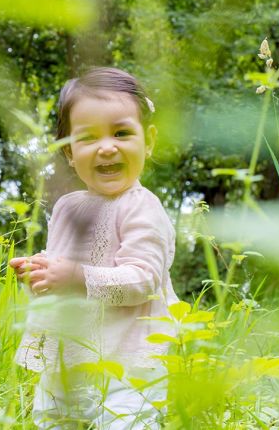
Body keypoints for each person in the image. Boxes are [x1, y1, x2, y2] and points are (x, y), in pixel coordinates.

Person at [10, 67, 179, 429]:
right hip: (67, 357)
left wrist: (73, 276)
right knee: (51, 420)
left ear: (148, 141)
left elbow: (144, 279)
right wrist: (40, 271)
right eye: (88, 138)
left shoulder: (141, 206)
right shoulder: (67, 207)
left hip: (127, 363)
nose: (107, 148)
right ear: (69, 152)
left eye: (121, 133)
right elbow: (64, 269)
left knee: (126, 423)